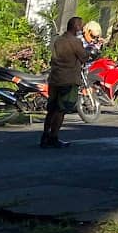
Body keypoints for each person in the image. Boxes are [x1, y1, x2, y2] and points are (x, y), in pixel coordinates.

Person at [42, 16, 89, 149]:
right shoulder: (75, 42)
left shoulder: (59, 40)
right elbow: (84, 57)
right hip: (68, 79)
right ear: (76, 27)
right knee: (61, 110)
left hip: (55, 78)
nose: (82, 28)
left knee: (51, 109)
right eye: (81, 26)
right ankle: (54, 137)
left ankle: (45, 135)